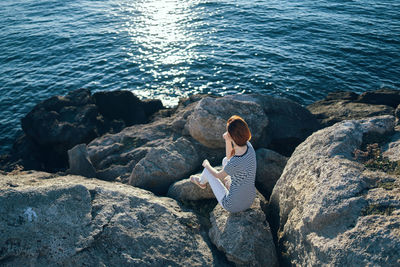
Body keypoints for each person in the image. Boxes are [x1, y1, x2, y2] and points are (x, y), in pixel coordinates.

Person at [190, 115, 257, 213]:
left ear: (231, 135)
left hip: (233, 205)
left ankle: (201, 182)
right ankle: (228, 183)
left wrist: (207, 165)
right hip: (249, 200)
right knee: (226, 160)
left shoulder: (235, 162)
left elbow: (218, 175)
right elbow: (230, 157)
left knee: (208, 172)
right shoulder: (249, 146)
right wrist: (227, 140)